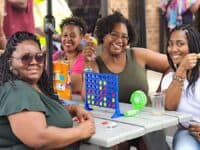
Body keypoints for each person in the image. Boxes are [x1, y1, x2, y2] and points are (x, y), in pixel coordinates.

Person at [83, 11, 170, 150]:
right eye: (114, 34)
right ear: (103, 36)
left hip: (146, 122)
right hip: (115, 124)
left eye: (124, 37)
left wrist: (159, 93)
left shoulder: (138, 55)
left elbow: (171, 64)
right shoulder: (95, 64)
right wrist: (87, 63)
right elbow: (89, 96)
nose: (120, 40)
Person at [0, 31, 95, 149]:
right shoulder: (18, 90)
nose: (34, 62)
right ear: (10, 62)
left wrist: (73, 109)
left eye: (39, 57)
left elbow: (44, 111)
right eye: (26, 58)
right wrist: (80, 131)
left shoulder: (33, 87)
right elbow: (39, 139)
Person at [161, 24, 200, 150]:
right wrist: (181, 69)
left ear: (193, 47)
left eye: (180, 44)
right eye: (170, 44)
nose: (173, 49)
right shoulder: (169, 79)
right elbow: (169, 106)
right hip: (188, 133)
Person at [53, 16, 90, 95]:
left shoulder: (84, 58)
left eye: (73, 36)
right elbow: (46, 79)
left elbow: (75, 85)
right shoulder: (56, 55)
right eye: (65, 35)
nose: (68, 39)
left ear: (81, 38)